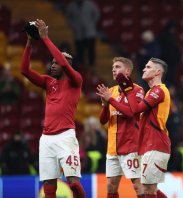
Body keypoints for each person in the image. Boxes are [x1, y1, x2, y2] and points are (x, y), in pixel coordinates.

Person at [20, 19, 85, 198]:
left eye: (56, 63)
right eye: (52, 63)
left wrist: (46, 38)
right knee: (49, 185)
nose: (53, 65)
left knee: (73, 183)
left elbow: (63, 63)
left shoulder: (75, 80)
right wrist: (29, 43)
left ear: (66, 65)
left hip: (65, 137)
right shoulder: (49, 82)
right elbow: (24, 71)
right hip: (46, 138)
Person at [121, 57, 171, 198]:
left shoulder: (159, 91)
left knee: (148, 190)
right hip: (149, 144)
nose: (144, 69)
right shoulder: (151, 92)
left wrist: (129, 90)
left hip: (156, 143)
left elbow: (135, 110)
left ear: (158, 72)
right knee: (149, 188)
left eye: (148, 67)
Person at [96, 57, 144, 197]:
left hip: (131, 147)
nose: (113, 69)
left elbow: (131, 112)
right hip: (112, 148)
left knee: (137, 185)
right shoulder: (111, 91)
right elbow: (103, 121)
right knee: (111, 186)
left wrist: (110, 99)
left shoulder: (137, 90)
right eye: (113, 67)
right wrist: (105, 105)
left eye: (117, 67)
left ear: (127, 71)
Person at [66, 0, 100, 68]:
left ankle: (91, 66)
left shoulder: (90, 4)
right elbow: (68, 17)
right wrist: (73, 25)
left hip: (90, 32)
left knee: (91, 50)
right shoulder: (71, 6)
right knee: (79, 52)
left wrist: (91, 24)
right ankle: (81, 67)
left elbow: (97, 14)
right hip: (78, 33)